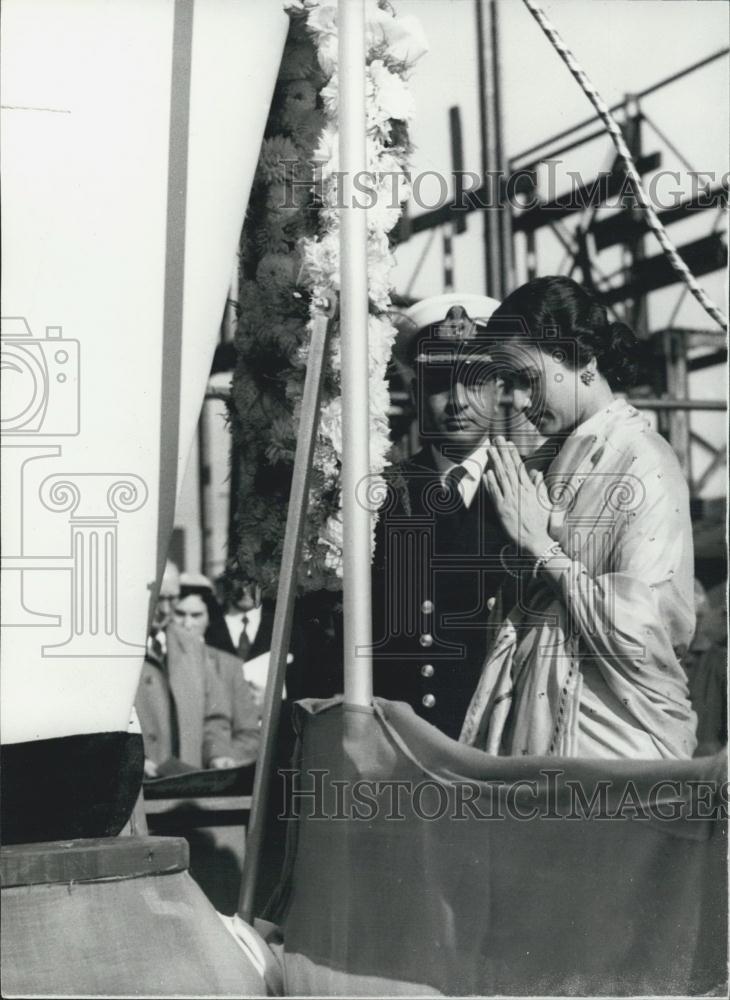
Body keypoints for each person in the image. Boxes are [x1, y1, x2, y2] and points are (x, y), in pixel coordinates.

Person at [460, 275, 697, 759]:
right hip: (533, 730)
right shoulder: (543, 464)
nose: (519, 403)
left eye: (529, 380)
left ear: (583, 359)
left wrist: (543, 548)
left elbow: (646, 633)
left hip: (612, 745)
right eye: (510, 385)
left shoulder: (643, 458)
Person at [372, 293, 511, 740]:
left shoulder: (529, 488)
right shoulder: (381, 494)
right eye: (439, 385)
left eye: (473, 383)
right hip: (410, 744)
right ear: (414, 393)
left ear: (500, 389)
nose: (456, 402)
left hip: (499, 745)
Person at [135, 561, 235, 775]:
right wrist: (131, 762)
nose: (164, 610)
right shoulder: (111, 652)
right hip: (135, 792)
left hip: (186, 786)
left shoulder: (193, 646)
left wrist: (217, 755)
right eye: (157, 600)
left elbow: (214, 717)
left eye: (172, 599)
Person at [176, 573, 261, 768]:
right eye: (180, 614)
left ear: (208, 618)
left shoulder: (228, 666)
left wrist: (221, 757)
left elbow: (248, 733)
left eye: (196, 615)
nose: (187, 624)